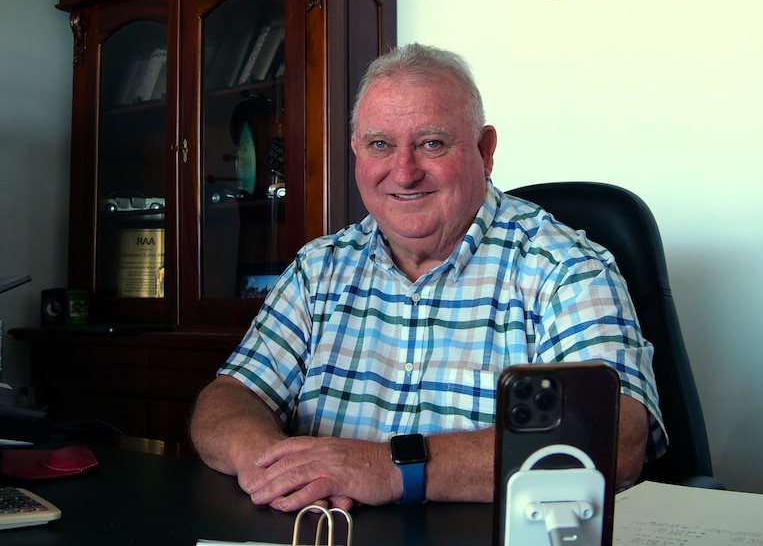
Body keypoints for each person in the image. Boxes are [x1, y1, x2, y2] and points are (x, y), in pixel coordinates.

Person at [189, 42, 667, 513]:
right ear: (356, 152)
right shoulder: (319, 270)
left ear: (485, 151)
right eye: (380, 145)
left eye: (431, 143)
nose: (403, 172)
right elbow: (229, 398)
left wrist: (387, 468)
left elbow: (612, 439)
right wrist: (272, 465)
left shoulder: (565, 268)